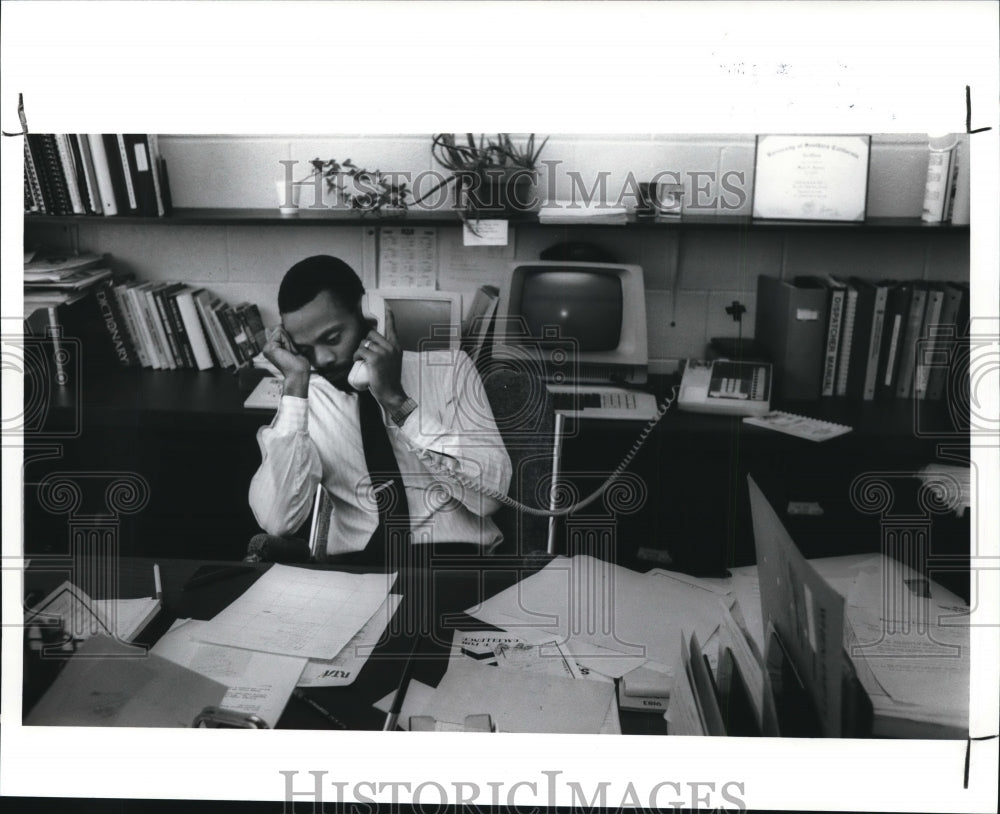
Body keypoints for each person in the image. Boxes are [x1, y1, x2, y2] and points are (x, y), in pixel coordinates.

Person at [248, 255, 512, 564]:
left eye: (333, 338)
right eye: (305, 350)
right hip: (358, 571)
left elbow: (490, 498)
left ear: (368, 318)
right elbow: (278, 521)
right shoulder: (308, 401)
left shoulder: (451, 370)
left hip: (455, 563)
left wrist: (397, 403)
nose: (322, 359)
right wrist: (294, 384)